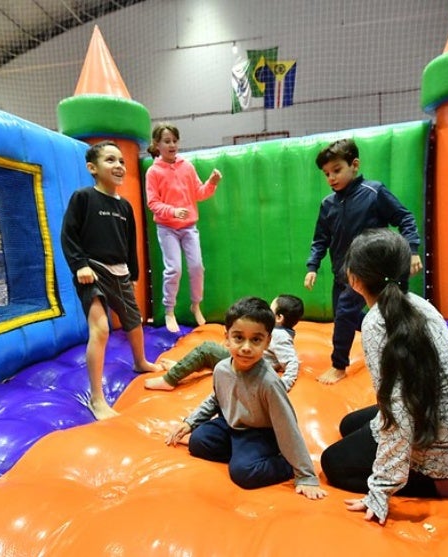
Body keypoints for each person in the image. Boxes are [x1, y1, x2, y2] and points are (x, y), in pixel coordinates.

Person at [319, 228, 448, 525]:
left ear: (354, 279)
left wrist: (381, 489)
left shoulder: (376, 323)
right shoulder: (419, 304)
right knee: (349, 424)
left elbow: (398, 411)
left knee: (334, 464)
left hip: (447, 440)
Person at [166, 297, 327, 500]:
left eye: (256, 340)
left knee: (243, 473)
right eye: (239, 338)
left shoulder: (268, 382)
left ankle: (282, 463)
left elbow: (287, 426)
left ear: (268, 341)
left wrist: (305, 475)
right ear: (227, 338)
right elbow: (216, 398)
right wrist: (190, 422)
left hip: (259, 432)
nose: (246, 347)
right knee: (197, 442)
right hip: (231, 424)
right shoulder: (222, 369)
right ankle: (242, 453)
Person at [304, 138, 423, 385]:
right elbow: (320, 239)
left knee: (347, 314)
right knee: (346, 316)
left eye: (337, 170)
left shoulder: (374, 192)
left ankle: (339, 366)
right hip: (342, 273)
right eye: (326, 174)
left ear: (354, 165)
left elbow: (405, 218)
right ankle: (392, 340)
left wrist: (412, 250)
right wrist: (312, 266)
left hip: (371, 271)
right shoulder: (328, 204)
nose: (331, 178)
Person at [61, 140, 162, 420]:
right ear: (92, 168)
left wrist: (134, 273)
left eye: (121, 161)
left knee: (134, 320)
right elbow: (68, 236)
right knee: (101, 329)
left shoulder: (125, 206)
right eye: (110, 160)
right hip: (92, 271)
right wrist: (80, 265)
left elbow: (131, 244)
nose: (118, 165)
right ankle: (97, 398)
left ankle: (140, 361)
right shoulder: (83, 198)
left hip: (120, 271)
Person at [145, 123, 222, 333]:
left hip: (188, 227)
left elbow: (199, 193)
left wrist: (212, 182)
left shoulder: (186, 167)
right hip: (167, 228)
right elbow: (152, 203)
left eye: (174, 141)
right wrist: (172, 211)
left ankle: (195, 305)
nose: (172, 145)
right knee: (174, 269)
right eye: (167, 141)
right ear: (157, 145)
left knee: (197, 266)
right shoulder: (153, 172)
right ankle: (169, 310)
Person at [144, 294, 304, 391]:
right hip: (243, 361)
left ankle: (169, 380)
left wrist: (283, 385)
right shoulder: (279, 334)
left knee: (206, 349)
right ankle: (182, 368)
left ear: (278, 318)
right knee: (213, 352)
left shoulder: (279, 336)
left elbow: (292, 361)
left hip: (247, 365)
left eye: (271, 309)